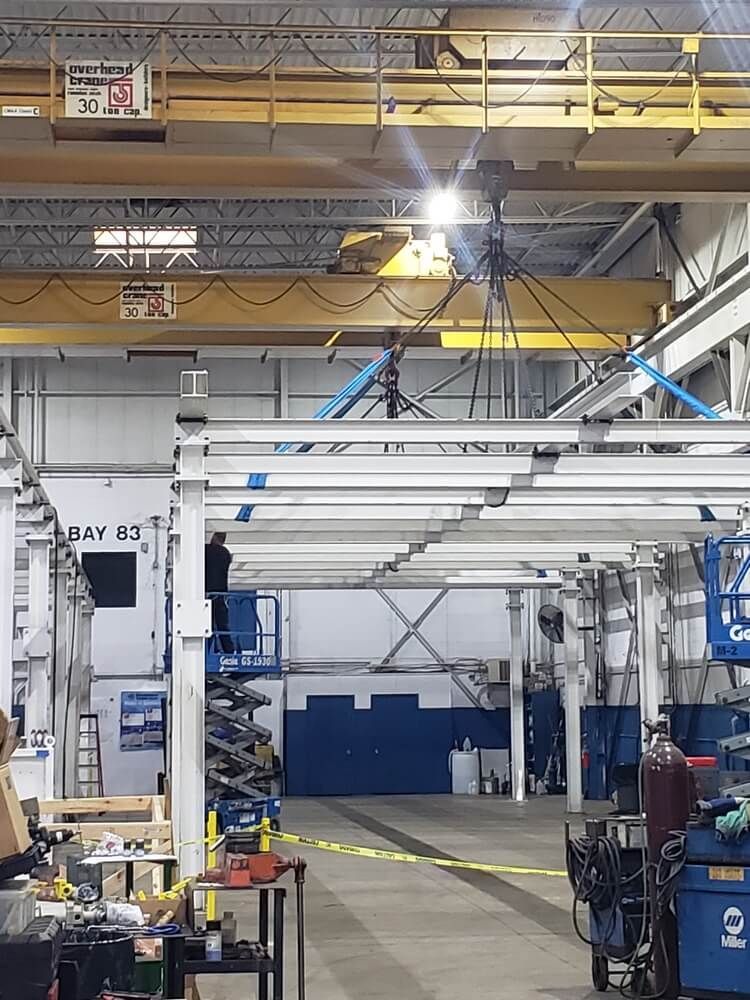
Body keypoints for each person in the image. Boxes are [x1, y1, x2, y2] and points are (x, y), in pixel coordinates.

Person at [205, 531, 234, 654]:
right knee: (222, 626)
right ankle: (229, 651)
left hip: (206, 595)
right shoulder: (226, 554)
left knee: (206, 626)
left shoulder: (206, 550)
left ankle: (206, 651)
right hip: (221, 595)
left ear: (214, 537)